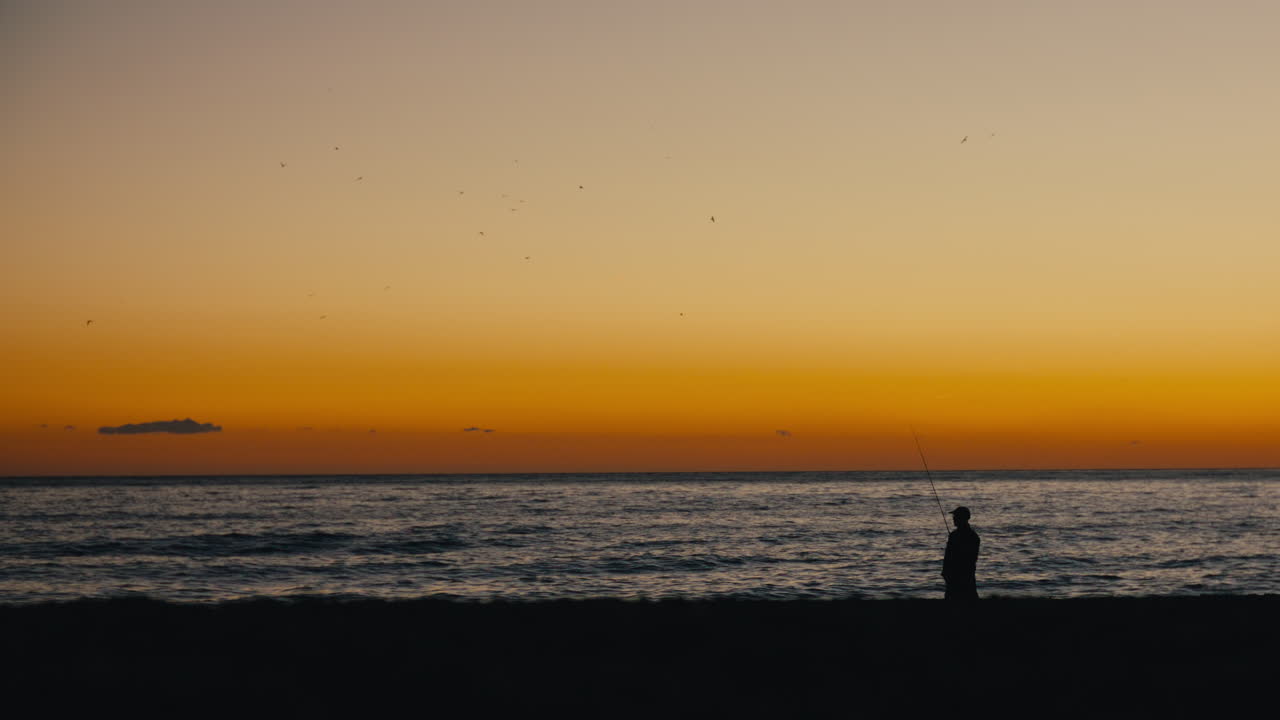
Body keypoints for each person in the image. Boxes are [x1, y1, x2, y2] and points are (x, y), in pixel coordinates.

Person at [942, 506, 980, 600]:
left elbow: (949, 557)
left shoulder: (955, 536)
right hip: (965, 576)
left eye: (956, 516)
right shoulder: (973, 536)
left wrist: (946, 572)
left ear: (962, 518)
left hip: (959, 576)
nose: (953, 518)